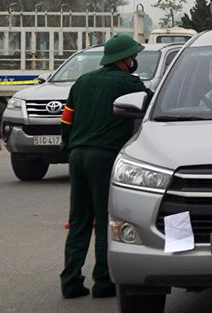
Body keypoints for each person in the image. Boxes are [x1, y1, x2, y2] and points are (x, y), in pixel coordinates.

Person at [59, 34, 152, 299]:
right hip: (104, 158)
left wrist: (70, 146)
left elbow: (67, 120)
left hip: (77, 155)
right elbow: (153, 110)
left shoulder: (82, 82)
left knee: (79, 219)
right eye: (133, 56)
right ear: (124, 60)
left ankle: (70, 280)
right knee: (104, 218)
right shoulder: (129, 84)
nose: (134, 61)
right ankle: (103, 281)